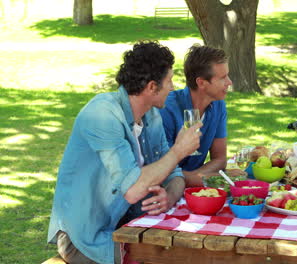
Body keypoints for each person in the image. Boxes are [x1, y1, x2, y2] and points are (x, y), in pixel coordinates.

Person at [47, 41, 201, 264]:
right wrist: (178, 150)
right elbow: (132, 190)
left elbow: (175, 175)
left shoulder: (151, 116)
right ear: (151, 87)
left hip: (130, 227)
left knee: (189, 252)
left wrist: (169, 196)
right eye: (169, 81)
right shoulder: (102, 114)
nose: (172, 87)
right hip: (87, 238)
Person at [160, 45, 233, 187]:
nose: (229, 82)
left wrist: (196, 176)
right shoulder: (166, 110)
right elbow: (163, 171)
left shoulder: (218, 105)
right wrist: (206, 178)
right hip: (166, 193)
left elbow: (220, 159)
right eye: (223, 78)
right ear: (201, 83)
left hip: (192, 188)